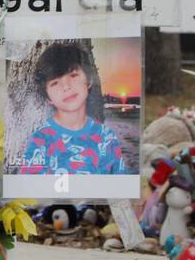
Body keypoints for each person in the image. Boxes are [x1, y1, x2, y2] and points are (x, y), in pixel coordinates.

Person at [20, 41, 126, 175]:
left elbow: (120, 185)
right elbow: (30, 191)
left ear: (89, 80)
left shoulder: (106, 137)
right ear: (47, 97)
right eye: (54, 83)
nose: (66, 87)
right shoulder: (40, 140)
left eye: (73, 75)